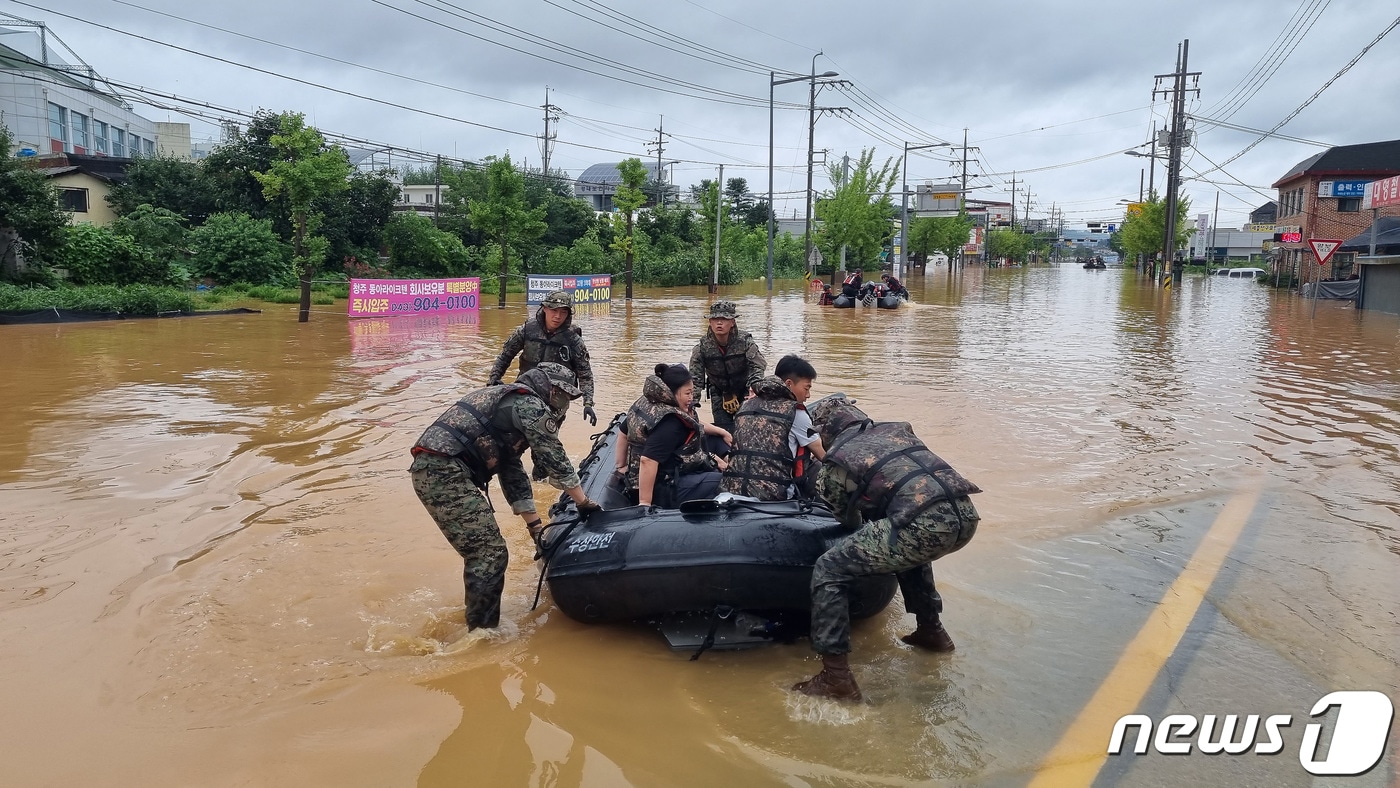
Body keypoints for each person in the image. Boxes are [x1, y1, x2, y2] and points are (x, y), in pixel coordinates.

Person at [792, 399, 982, 702]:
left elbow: (846, 519)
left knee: (829, 568)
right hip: (965, 515)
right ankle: (931, 632)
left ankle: (835, 678)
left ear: (826, 430)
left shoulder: (836, 462)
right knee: (908, 547)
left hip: (922, 525)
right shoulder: (896, 434)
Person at [409, 362, 603, 630]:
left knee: (487, 551)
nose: (565, 403)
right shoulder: (527, 403)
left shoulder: (508, 403)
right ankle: (482, 633)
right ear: (549, 387)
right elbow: (553, 456)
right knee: (489, 553)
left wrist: (535, 528)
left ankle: (479, 621)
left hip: (437, 469)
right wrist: (583, 502)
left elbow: (512, 472)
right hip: (443, 470)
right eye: (563, 394)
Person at [720, 355, 826, 501]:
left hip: (732, 487)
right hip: (774, 495)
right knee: (821, 467)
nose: (808, 395)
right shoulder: (797, 412)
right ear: (789, 384)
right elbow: (822, 455)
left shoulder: (746, 405)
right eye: (806, 388)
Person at [623, 363, 726, 508]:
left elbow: (623, 430)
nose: (692, 397)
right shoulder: (671, 423)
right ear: (672, 392)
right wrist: (644, 504)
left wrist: (621, 465)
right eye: (687, 393)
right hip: (662, 488)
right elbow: (647, 460)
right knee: (725, 479)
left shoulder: (647, 403)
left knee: (715, 439)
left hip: (637, 479)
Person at [489, 290, 597, 426]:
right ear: (545, 308)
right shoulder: (527, 330)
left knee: (544, 439)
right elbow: (505, 356)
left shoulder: (573, 340)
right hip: (526, 389)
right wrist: (493, 381)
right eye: (554, 310)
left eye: (563, 312)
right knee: (514, 434)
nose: (558, 316)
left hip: (555, 398)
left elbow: (585, 373)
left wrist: (588, 402)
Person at [689, 301, 766, 434]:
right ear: (710, 322)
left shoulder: (745, 341)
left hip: (745, 389)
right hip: (719, 390)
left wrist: (754, 388)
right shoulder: (702, 347)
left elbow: (757, 366)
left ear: (732, 322)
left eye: (724, 319)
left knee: (747, 427)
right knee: (722, 428)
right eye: (715, 319)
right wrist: (690, 404)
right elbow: (695, 380)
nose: (719, 323)